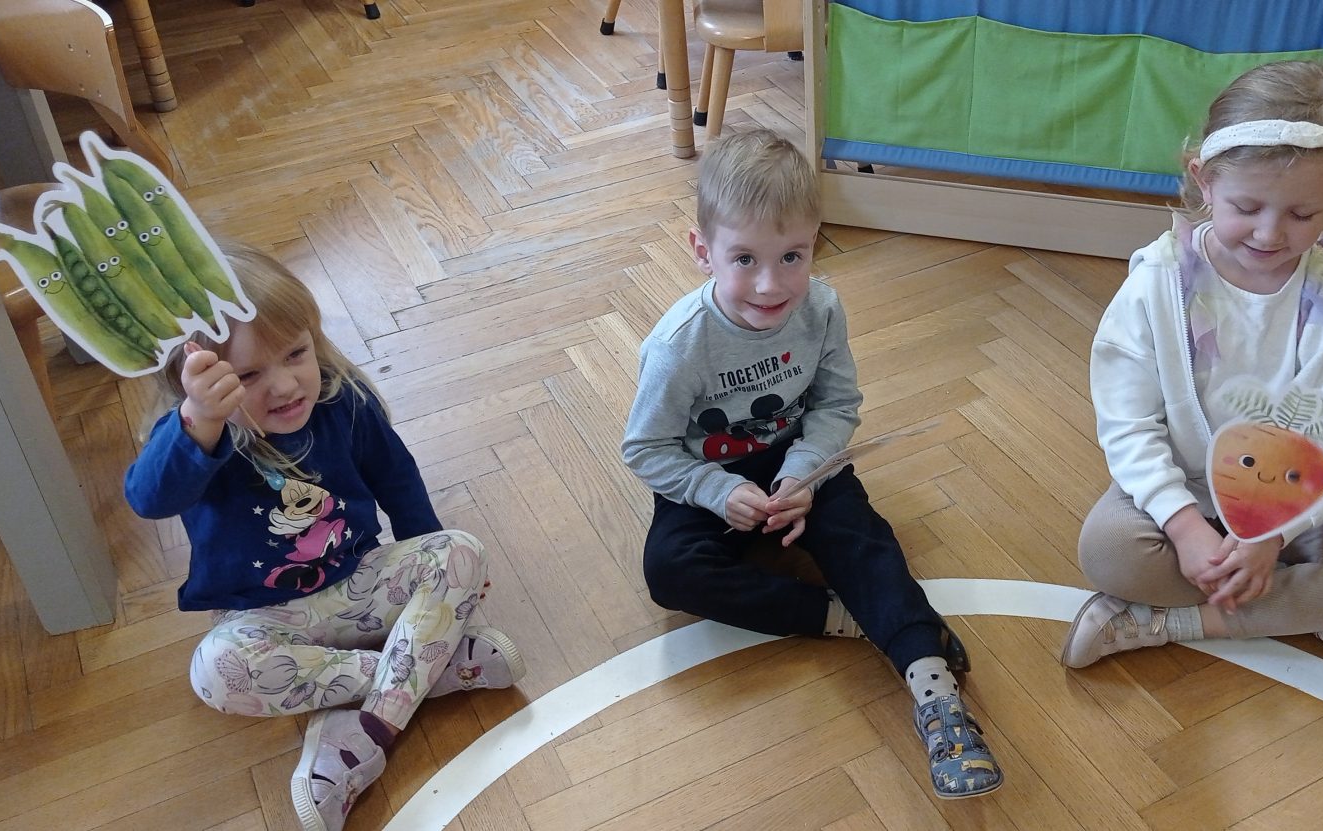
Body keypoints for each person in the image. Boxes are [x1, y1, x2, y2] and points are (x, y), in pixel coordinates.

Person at [622, 128, 1003, 799]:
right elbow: (645, 448)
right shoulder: (679, 346)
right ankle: (851, 615)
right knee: (670, 571)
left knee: (863, 539)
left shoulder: (822, 309)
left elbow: (836, 405)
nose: (771, 285)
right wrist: (715, 491)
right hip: (705, 478)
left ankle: (933, 686)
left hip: (801, 464)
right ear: (702, 251)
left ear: (815, 242)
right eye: (744, 259)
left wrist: (802, 472)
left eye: (792, 256)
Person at [125, 242, 524, 831]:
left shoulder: (344, 402)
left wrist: (443, 575)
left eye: (296, 353)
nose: (285, 385)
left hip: (361, 585)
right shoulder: (196, 434)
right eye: (249, 374)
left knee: (461, 551)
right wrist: (198, 421)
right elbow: (148, 498)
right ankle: (420, 673)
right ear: (199, 380)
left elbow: (399, 482)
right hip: (265, 619)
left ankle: (367, 728)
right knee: (214, 670)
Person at [1061, 61, 1323, 673]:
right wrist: (1183, 526)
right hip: (1179, 494)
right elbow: (1128, 421)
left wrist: (1271, 536)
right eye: (1247, 206)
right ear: (1203, 179)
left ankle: (1173, 623)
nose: (1269, 234)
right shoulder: (1157, 283)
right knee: (1111, 551)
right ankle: (1308, 609)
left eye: (1302, 216)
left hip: (1287, 511)